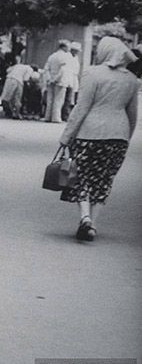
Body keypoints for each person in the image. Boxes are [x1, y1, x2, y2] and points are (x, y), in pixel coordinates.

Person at [57, 36, 138, 242]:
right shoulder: (131, 80)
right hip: (118, 136)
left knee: (81, 175)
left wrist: (66, 136)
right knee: (104, 179)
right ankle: (93, 223)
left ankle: (84, 217)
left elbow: (81, 108)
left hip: (89, 132)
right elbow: (133, 115)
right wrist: (126, 138)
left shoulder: (92, 74)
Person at [43, 39, 72, 123]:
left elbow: (46, 68)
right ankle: (56, 117)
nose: (69, 49)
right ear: (64, 47)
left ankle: (47, 116)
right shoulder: (65, 57)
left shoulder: (52, 56)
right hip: (60, 81)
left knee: (50, 99)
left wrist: (49, 79)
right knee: (58, 100)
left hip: (50, 80)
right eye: (68, 47)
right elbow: (62, 70)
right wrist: (56, 79)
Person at [62, 41, 82, 121]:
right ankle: (65, 115)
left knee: (71, 98)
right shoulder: (67, 56)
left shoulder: (76, 58)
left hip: (73, 79)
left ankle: (68, 114)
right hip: (68, 78)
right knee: (67, 98)